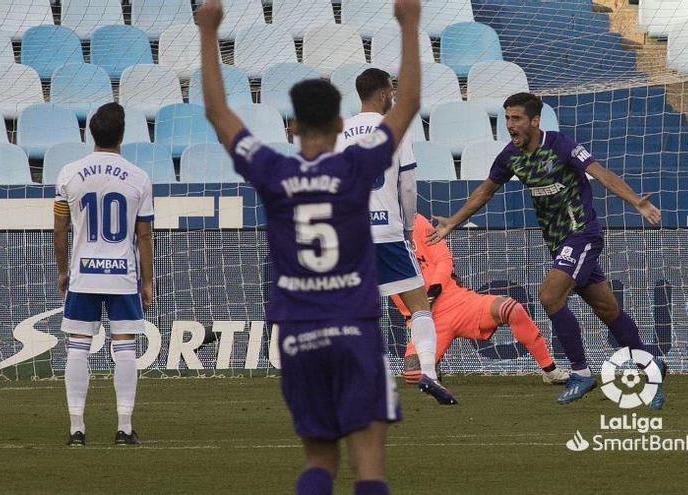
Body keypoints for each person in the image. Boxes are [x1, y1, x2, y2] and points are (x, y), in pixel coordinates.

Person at [197, 0, 421, 492]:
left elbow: (217, 112)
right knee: (369, 466)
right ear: (342, 127)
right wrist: (409, 24)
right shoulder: (355, 167)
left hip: (298, 334)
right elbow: (405, 107)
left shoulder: (273, 172)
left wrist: (209, 31)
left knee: (318, 462)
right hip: (355, 330)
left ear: (292, 126)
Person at [427, 92, 666, 408]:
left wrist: (635, 200)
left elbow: (600, 173)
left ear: (534, 121)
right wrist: (452, 223)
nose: (510, 125)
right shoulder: (510, 156)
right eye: (507, 118)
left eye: (516, 119)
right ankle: (651, 363)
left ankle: (581, 373)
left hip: (582, 234)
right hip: (559, 243)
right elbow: (485, 191)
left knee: (549, 296)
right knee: (608, 309)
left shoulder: (561, 145)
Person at [335, 68, 456, 405]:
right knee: (419, 305)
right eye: (391, 90)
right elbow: (407, 184)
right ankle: (429, 372)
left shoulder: (339, 132)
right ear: (383, 93)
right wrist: (405, 225)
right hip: (387, 232)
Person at [53, 102, 155, 446]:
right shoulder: (139, 177)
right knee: (124, 348)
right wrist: (148, 280)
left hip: (83, 272)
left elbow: (59, 228)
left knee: (77, 349)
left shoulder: (69, 173)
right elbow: (144, 235)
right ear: (122, 135)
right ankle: (124, 428)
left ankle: (76, 430)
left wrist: (63, 271)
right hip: (122, 274)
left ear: (91, 133)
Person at [391, 214, 570, 386]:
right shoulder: (374, 242)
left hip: (458, 302)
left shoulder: (417, 221)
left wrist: (431, 293)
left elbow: (444, 260)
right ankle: (434, 361)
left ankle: (549, 370)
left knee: (510, 308)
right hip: (428, 319)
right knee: (414, 375)